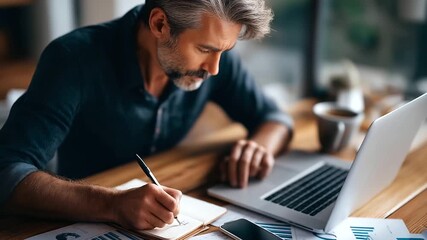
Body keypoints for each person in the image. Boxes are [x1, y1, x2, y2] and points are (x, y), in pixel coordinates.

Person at [0, 0, 293, 231]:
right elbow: (6, 172)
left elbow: (275, 118)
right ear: (159, 23)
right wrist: (112, 204)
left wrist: (259, 148)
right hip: (82, 222)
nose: (214, 69)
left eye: (224, 51)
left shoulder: (215, 59)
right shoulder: (73, 59)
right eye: (205, 49)